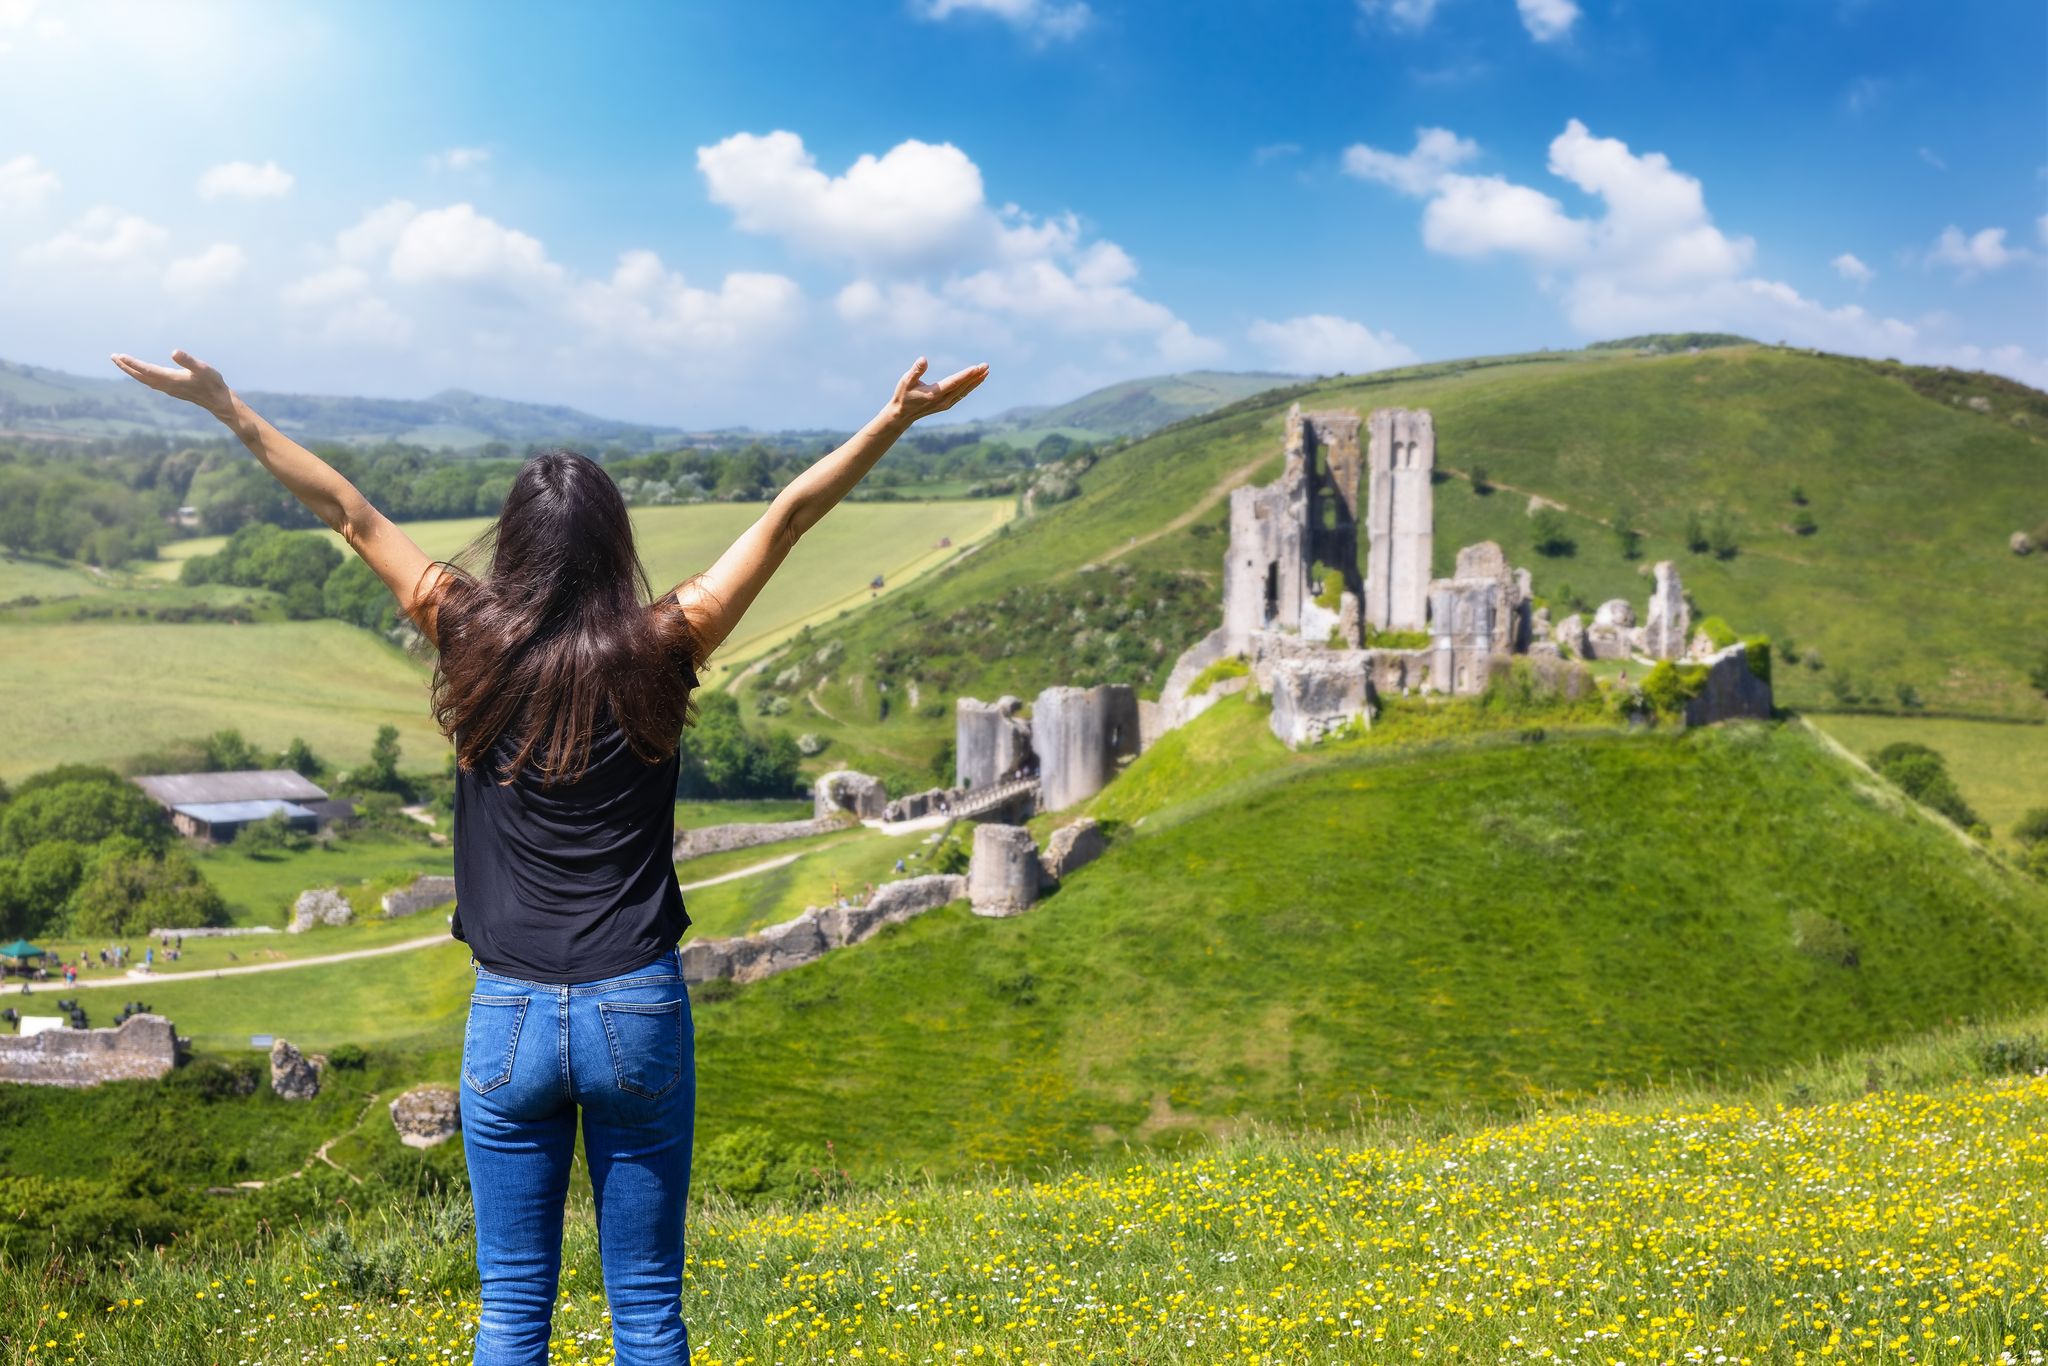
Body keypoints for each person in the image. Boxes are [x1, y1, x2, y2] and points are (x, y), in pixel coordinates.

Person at [111, 344, 988, 1364]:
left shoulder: (467, 631)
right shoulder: (665, 642)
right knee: (648, 1312)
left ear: (514, 546)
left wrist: (230, 409)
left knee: (512, 1313)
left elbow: (348, 514)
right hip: (638, 1006)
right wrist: (890, 422)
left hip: (510, 1009)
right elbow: (786, 519)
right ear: (614, 546)